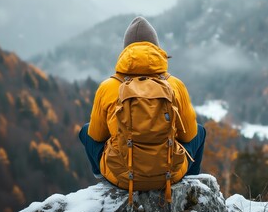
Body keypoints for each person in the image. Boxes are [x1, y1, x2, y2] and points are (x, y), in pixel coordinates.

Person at [79, 16, 206, 182]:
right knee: (200, 131)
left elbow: (97, 136)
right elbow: (188, 136)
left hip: (123, 178)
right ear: (157, 49)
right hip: (169, 176)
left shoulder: (107, 87)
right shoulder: (175, 85)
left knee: (86, 131)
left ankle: (102, 177)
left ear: (125, 51)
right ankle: (190, 184)